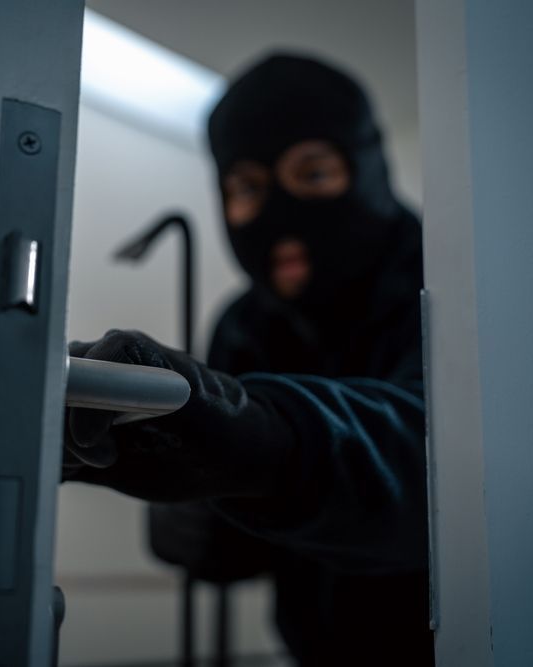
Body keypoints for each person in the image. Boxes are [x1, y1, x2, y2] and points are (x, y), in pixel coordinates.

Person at [63, 53, 432, 665]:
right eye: (247, 189)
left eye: (312, 175)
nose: (281, 219)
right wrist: (195, 513)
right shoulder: (248, 322)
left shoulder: (445, 287)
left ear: (366, 168)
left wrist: (264, 440)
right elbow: (256, 535)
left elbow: (433, 466)